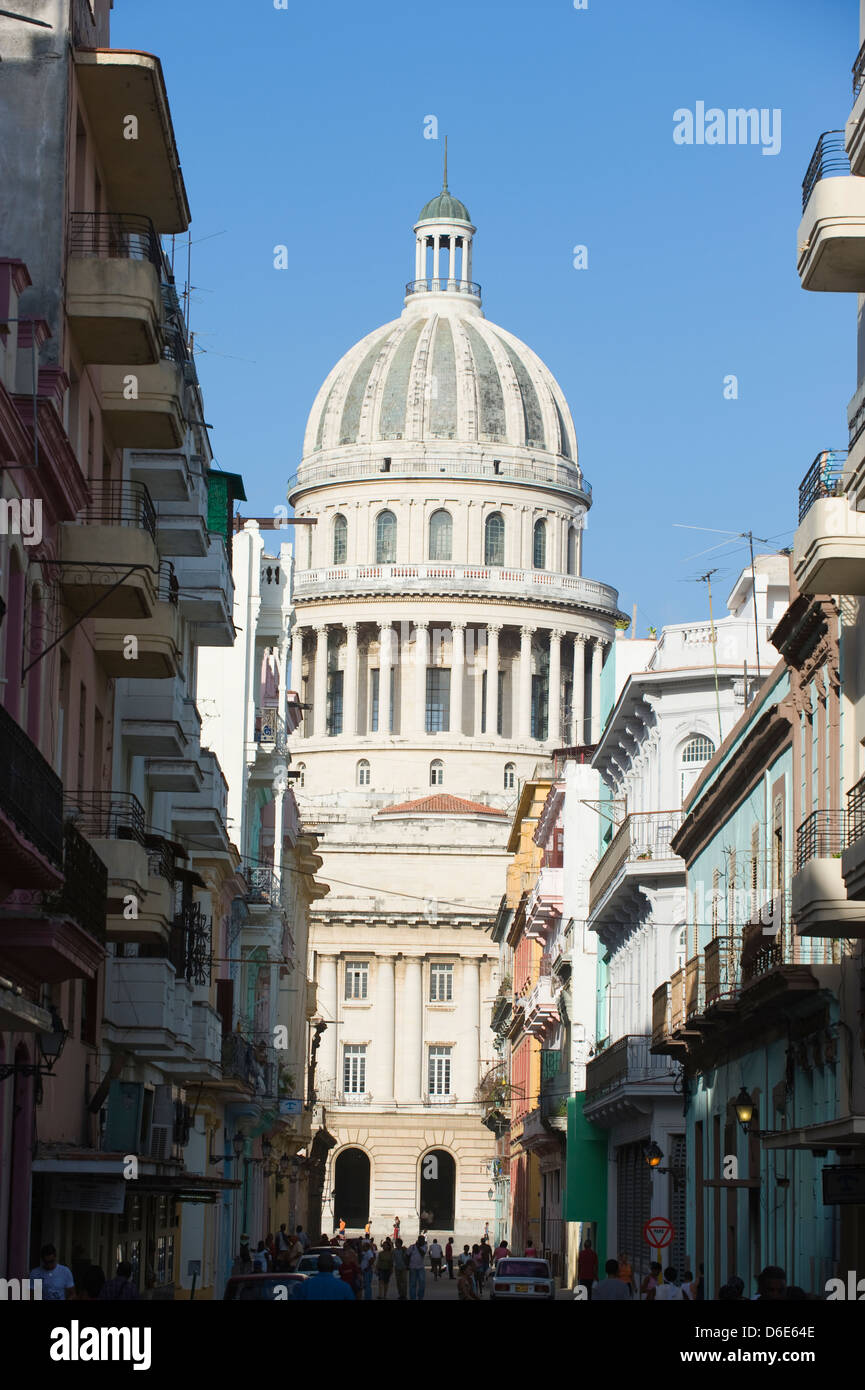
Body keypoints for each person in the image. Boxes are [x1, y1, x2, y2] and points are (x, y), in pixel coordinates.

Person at [408, 1236, 427, 1301]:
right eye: (422, 1240)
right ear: (418, 1240)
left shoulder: (425, 1247)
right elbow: (407, 1255)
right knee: (412, 1284)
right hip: (412, 1268)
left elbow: (422, 1253)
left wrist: (418, 1247)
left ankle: (420, 1297)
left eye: (423, 1240)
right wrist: (407, 1265)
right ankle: (413, 1298)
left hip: (420, 1267)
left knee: (422, 1284)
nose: (423, 1241)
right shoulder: (412, 1247)